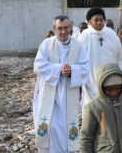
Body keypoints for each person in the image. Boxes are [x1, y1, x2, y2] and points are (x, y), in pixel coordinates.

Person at [33, 15, 90, 153]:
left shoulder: (78, 46)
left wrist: (72, 70)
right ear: (54, 29)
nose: (63, 32)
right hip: (48, 91)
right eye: (59, 28)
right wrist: (59, 69)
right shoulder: (46, 44)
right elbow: (38, 66)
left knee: (65, 129)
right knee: (50, 127)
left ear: (70, 27)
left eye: (65, 28)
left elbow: (86, 67)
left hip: (67, 94)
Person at [80, 63, 122, 153]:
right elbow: (86, 139)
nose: (114, 92)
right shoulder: (93, 108)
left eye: (117, 88)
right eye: (109, 89)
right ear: (101, 87)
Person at [79, 7, 122, 107]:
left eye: (101, 19)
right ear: (89, 22)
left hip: (111, 80)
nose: (99, 22)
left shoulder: (111, 34)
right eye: (96, 20)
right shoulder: (84, 36)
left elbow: (120, 58)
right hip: (91, 80)